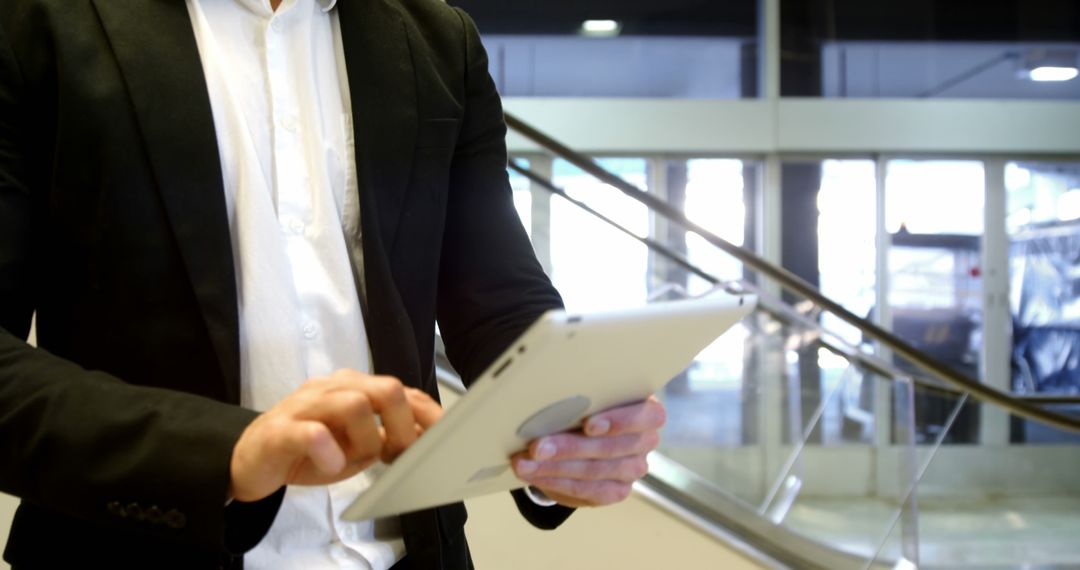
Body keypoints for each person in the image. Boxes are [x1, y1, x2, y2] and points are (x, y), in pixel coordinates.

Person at [0, 0, 666, 568]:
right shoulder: (31, 23)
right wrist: (222, 452)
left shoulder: (437, 38)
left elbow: (498, 304)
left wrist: (574, 429)